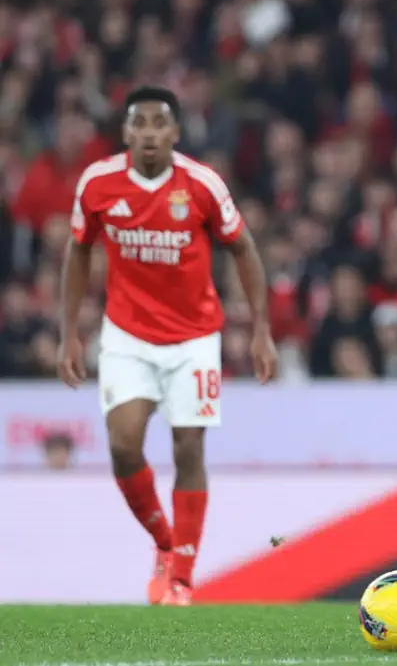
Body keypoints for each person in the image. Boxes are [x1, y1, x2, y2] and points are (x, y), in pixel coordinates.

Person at [58, 86, 278, 606]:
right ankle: (164, 540)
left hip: (195, 338)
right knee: (123, 444)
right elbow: (78, 250)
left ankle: (181, 574)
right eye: (141, 122)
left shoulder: (201, 185)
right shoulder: (98, 184)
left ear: (176, 133)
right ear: (126, 131)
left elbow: (243, 248)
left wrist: (262, 328)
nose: (151, 132)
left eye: (161, 123)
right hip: (127, 336)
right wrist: (68, 330)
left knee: (188, 447)